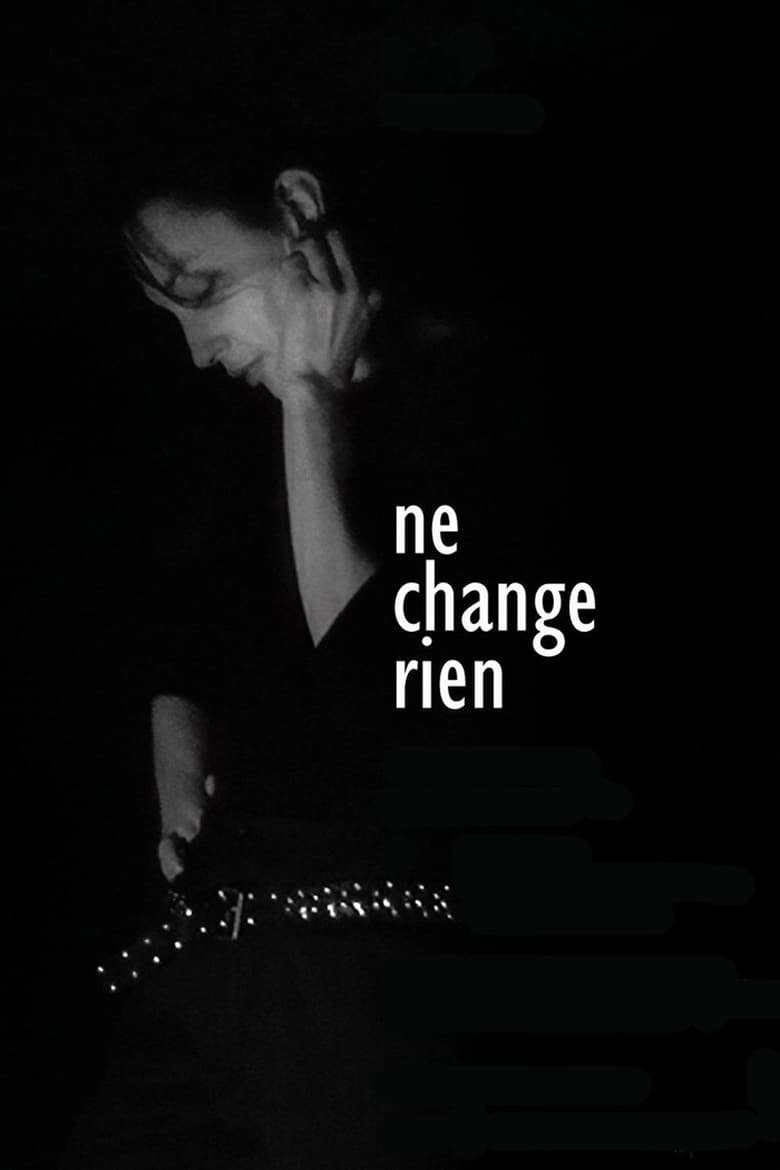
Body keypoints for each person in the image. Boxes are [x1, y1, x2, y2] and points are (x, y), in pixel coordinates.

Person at [59, 139, 496, 1169]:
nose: (199, 349)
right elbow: (185, 636)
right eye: (169, 318)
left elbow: (381, 681)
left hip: (357, 976)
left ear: (298, 207)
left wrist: (311, 401)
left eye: (204, 293)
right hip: (213, 952)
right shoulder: (233, 442)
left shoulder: (478, 408)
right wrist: (178, 777)